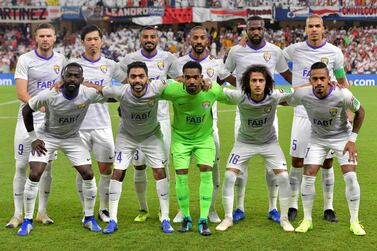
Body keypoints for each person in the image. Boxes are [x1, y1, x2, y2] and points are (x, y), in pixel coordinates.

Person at [86, 61, 173, 234]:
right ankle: (113, 220)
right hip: (127, 138)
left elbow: (179, 82)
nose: (137, 80)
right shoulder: (119, 91)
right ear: (128, 79)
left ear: (148, 78)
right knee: (118, 172)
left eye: (141, 76)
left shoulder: (158, 86)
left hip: (151, 136)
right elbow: (98, 89)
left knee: (159, 172)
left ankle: (165, 217)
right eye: (133, 76)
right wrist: (78, 83)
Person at [18, 63, 104, 236]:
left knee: (88, 174)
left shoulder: (87, 93)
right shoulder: (50, 94)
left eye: (76, 76)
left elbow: (110, 93)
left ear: (82, 79)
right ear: (62, 78)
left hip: (72, 138)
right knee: (35, 174)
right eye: (69, 75)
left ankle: (89, 218)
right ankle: (27, 221)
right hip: (47, 137)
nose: (72, 79)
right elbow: (27, 110)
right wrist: (34, 138)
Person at [224, 15, 292, 224]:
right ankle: (239, 208)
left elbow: (288, 75)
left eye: (259, 29)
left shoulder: (274, 51)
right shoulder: (236, 51)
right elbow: (223, 74)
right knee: (240, 167)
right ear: (247, 30)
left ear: (264, 30)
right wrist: (241, 88)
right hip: (243, 113)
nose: (255, 32)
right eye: (252, 29)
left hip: (268, 114)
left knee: (272, 167)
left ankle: (273, 208)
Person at [283, 14, 349, 221]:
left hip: (326, 115)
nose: (313, 29)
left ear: (323, 29)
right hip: (302, 113)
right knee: (297, 160)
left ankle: (328, 207)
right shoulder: (293, 50)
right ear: (305, 29)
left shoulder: (334, 52)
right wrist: (294, 84)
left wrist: (347, 111)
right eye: (310, 26)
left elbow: (341, 81)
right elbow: (277, 63)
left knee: (327, 163)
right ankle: (293, 204)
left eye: (317, 26)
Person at [216, 64, 295, 232]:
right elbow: (217, 92)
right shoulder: (239, 96)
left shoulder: (274, 96)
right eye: (254, 81)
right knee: (230, 176)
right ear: (247, 82)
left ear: (267, 83)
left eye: (261, 80)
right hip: (244, 143)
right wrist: (206, 83)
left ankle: (284, 218)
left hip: (269, 144)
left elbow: (298, 93)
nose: (258, 84)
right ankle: (228, 218)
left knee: (283, 178)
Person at [290, 62, 365, 235]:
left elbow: (361, 112)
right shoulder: (304, 94)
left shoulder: (342, 94)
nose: (319, 82)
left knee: (351, 177)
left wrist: (352, 140)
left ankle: (355, 221)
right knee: (308, 176)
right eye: (315, 79)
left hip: (342, 139)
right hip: (317, 140)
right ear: (310, 80)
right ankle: (307, 220)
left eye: (322, 78)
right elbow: (286, 99)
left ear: (329, 79)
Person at [118, 26, 181, 222]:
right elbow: (120, 80)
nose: (149, 39)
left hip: (160, 120)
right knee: (138, 166)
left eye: (153, 36)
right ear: (140, 38)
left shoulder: (168, 58)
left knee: (163, 166)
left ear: (158, 39)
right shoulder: (129, 59)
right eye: (145, 36)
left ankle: (165, 211)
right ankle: (143, 208)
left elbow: (178, 80)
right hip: (136, 121)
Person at [7, 23, 66, 228]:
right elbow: (21, 93)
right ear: (35, 38)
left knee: (46, 168)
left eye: (49, 35)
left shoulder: (61, 60)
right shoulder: (25, 60)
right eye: (41, 35)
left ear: (54, 37)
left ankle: (42, 211)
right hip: (27, 117)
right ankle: (17, 214)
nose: (45, 39)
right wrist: (41, 108)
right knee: (21, 166)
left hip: (50, 122)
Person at [174, 26, 233, 224]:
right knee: (181, 170)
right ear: (189, 40)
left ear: (208, 40)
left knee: (212, 168)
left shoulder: (216, 64)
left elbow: (229, 83)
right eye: (195, 38)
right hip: (182, 128)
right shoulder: (179, 63)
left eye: (202, 38)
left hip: (209, 126)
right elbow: (171, 85)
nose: (199, 41)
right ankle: (183, 211)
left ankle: (211, 209)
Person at [69, 25, 126, 223]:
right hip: (78, 126)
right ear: (82, 42)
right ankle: (86, 210)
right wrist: (97, 89)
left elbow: (127, 83)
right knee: (83, 170)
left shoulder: (111, 65)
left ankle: (103, 209)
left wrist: (101, 89)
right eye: (89, 39)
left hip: (102, 125)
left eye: (96, 39)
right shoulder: (74, 64)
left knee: (106, 170)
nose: (93, 43)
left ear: (102, 41)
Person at [161, 61, 223, 236]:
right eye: (187, 77)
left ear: (202, 77)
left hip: (204, 139)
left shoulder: (212, 90)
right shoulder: (173, 90)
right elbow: (150, 93)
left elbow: (233, 97)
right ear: (182, 78)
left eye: (196, 77)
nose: (192, 81)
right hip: (181, 140)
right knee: (181, 176)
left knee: (206, 172)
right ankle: (187, 218)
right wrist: (170, 81)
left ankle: (203, 219)